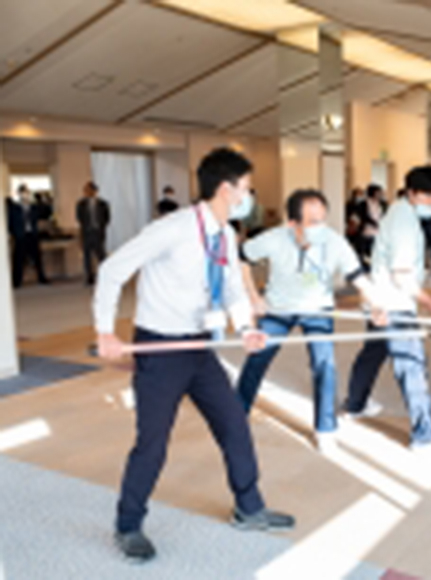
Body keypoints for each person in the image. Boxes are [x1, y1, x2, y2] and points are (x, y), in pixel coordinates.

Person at [93, 148, 294, 563]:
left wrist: (246, 328)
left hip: (199, 346)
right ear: (225, 189)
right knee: (152, 444)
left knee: (234, 424)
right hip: (161, 348)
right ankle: (128, 525)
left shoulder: (226, 234)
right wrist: (105, 331)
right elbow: (112, 270)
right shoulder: (173, 229)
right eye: (246, 188)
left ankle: (248, 507)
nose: (249, 196)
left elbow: (232, 288)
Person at [237, 189, 384, 454]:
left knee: (324, 365)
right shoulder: (274, 238)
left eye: (322, 219)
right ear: (293, 223)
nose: (320, 227)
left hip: (318, 310)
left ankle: (325, 429)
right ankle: (237, 415)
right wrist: (253, 297)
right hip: (279, 309)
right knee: (257, 359)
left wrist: (375, 303)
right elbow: (241, 259)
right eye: (313, 222)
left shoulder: (334, 241)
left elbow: (358, 277)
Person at [343, 165, 431, 454]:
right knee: (411, 364)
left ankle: (355, 404)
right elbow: (402, 275)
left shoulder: (398, 211)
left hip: (380, 300)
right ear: (412, 193)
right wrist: (429, 300)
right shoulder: (405, 223)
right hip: (395, 303)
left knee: (373, 353)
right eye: (430, 197)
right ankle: (425, 435)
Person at [6, 184, 49, 287]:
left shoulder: (33, 207)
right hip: (20, 236)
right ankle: (17, 280)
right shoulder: (14, 208)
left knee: (37, 257)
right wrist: (14, 233)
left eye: (26, 193)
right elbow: (10, 222)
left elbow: (46, 213)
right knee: (18, 258)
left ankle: (41, 277)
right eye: (22, 193)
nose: (25, 195)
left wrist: (41, 200)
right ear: (19, 194)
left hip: (32, 234)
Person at [76, 181, 110, 285]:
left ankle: (105, 275)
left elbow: (107, 218)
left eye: (89, 190)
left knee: (101, 255)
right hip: (86, 233)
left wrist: (100, 228)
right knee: (87, 257)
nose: (87, 192)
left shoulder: (103, 204)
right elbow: (79, 218)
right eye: (86, 190)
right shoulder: (81, 204)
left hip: (98, 232)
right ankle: (89, 277)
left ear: (95, 191)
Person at [356, 184, 387, 271]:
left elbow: (385, 215)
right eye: (378, 192)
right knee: (365, 253)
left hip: (379, 233)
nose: (380, 194)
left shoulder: (383, 204)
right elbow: (362, 216)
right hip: (366, 232)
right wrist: (374, 223)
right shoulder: (363, 204)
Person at [345, 187, 365, 253]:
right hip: (351, 228)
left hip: (360, 229)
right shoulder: (349, 204)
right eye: (358, 194)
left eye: (361, 194)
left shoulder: (363, 205)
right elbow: (346, 215)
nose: (359, 196)